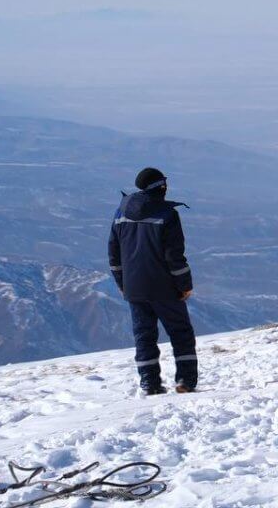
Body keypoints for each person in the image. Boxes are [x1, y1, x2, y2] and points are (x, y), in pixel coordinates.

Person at [108, 167, 197, 395]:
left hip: (134, 287)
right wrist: (185, 285)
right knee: (180, 332)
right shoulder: (167, 215)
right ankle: (185, 381)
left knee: (144, 335)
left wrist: (122, 284)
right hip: (164, 286)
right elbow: (174, 257)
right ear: (160, 187)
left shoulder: (121, 212)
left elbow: (114, 254)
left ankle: (149, 383)